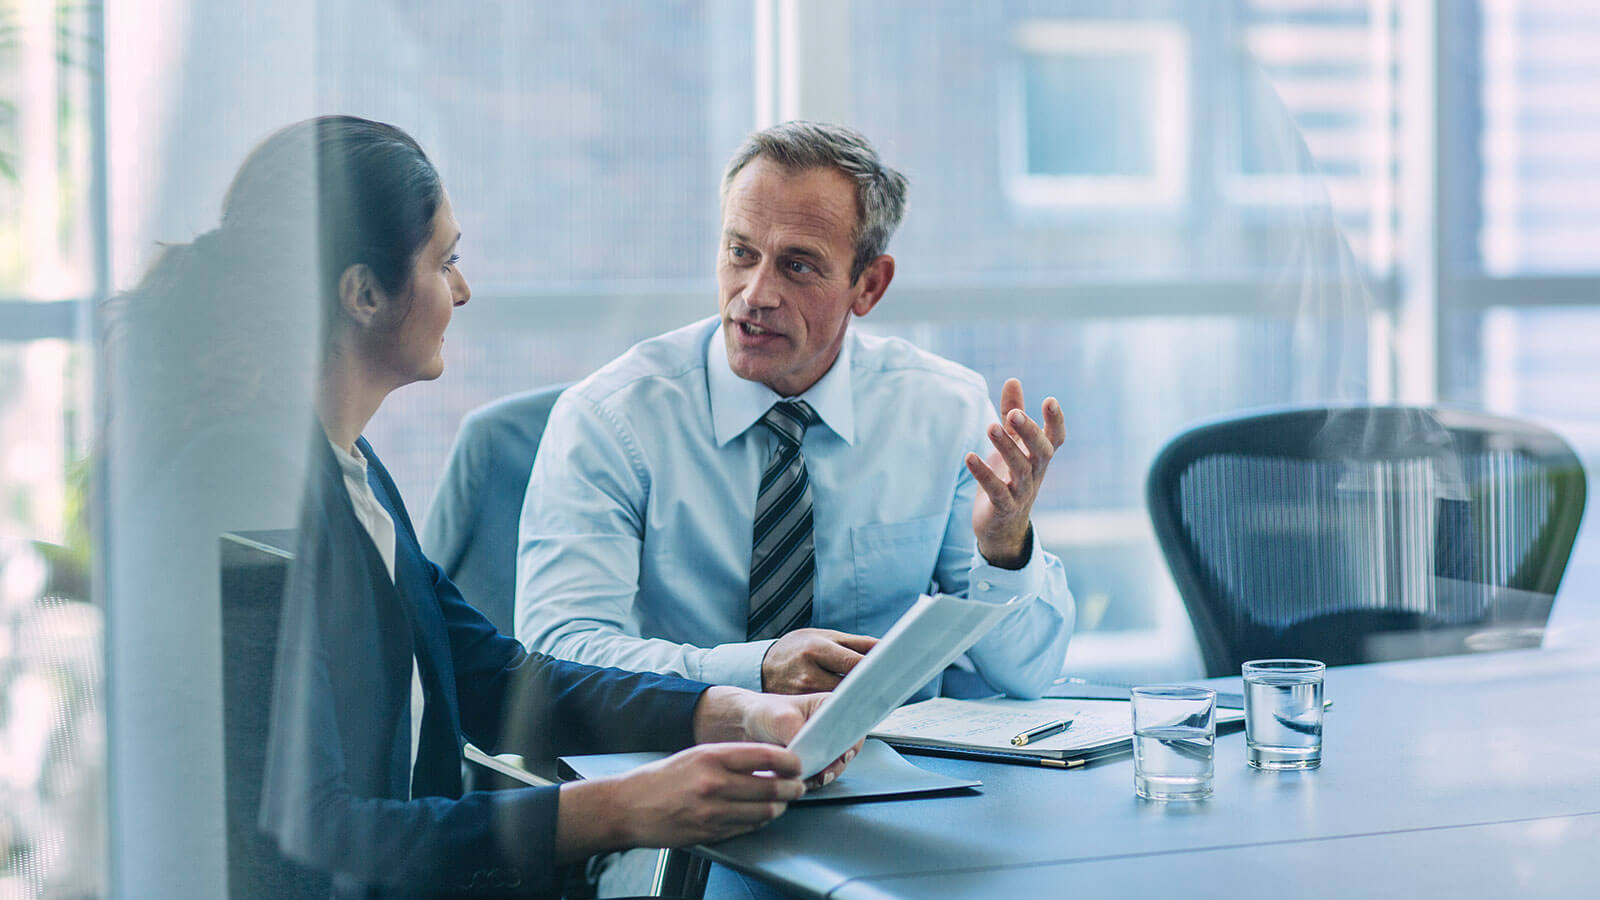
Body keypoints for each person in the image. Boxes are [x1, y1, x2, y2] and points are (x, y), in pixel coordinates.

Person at [196, 116, 856, 899]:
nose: (464, 290)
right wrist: (622, 808)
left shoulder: (351, 470)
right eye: (446, 263)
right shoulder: (256, 498)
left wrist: (734, 713)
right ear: (365, 294)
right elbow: (321, 835)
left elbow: (500, 680)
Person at [516, 121, 1075, 703]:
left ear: (869, 286)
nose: (755, 293)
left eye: (797, 265)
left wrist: (1005, 549)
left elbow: (1026, 674)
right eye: (741, 253)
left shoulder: (943, 412)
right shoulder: (611, 419)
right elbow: (559, 654)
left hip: (895, 774)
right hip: (677, 765)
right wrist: (754, 672)